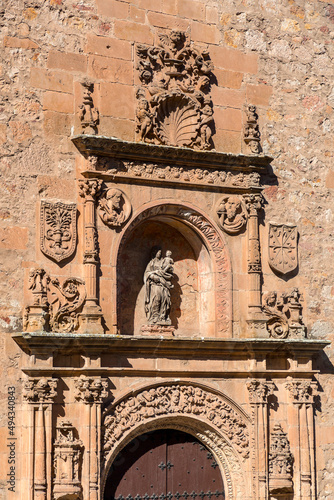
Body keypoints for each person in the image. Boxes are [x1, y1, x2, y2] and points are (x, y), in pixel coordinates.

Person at [144, 249, 174, 325]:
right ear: (154, 253)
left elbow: (169, 271)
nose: (159, 254)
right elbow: (147, 273)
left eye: (160, 253)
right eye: (158, 252)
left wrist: (168, 270)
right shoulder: (151, 263)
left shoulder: (163, 261)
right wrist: (153, 276)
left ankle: (163, 317)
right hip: (155, 284)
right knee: (156, 299)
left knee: (164, 300)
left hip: (164, 284)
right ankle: (155, 317)